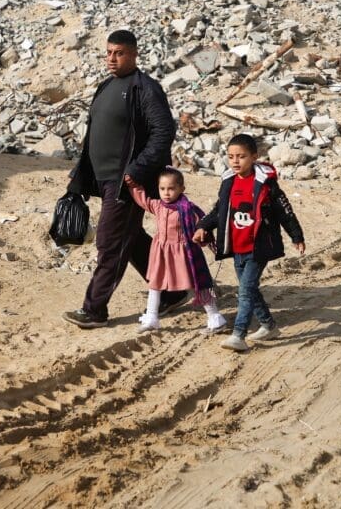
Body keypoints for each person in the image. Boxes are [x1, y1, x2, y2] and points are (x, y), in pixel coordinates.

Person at [62, 30, 188, 328]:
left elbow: (163, 133)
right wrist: (80, 177)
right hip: (105, 179)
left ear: (133, 54)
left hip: (128, 182)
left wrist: (136, 170)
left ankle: (94, 310)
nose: (111, 58)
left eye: (118, 53)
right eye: (108, 52)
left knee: (110, 241)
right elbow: (95, 134)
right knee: (128, 239)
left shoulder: (145, 88)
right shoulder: (107, 86)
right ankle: (171, 293)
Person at [193, 134, 305, 352]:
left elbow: (286, 212)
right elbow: (219, 211)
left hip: (259, 247)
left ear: (254, 157)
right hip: (236, 247)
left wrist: (296, 236)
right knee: (250, 290)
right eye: (231, 156)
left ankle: (239, 334)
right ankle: (269, 325)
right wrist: (203, 226)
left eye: (241, 157)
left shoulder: (266, 185)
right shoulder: (228, 182)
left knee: (245, 291)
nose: (235, 161)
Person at [124, 169, 228, 334]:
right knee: (155, 284)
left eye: (171, 188)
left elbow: (203, 226)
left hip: (183, 253)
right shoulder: (158, 206)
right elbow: (142, 199)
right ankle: (151, 318)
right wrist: (132, 184)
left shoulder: (187, 209)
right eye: (162, 188)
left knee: (197, 284)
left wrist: (202, 236)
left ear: (182, 188)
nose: (166, 193)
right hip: (160, 252)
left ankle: (215, 318)